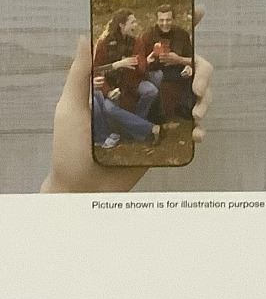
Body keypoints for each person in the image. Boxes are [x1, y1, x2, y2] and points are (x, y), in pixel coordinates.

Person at [45, 36, 214, 192]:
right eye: (131, 23)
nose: (133, 27)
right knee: (109, 107)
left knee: (150, 89)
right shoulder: (103, 46)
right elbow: (97, 71)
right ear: (122, 24)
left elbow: (140, 69)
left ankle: (136, 129)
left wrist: (158, 62)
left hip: (126, 87)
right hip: (106, 91)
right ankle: (149, 128)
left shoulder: (137, 42)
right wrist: (110, 83)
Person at [138, 3, 195, 120]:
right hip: (155, 70)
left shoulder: (182, 34)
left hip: (178, 69)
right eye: (161, 20)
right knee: (159, 77)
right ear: (156, 20)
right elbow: (140, 61)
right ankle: (159, 116)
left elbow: (192, 59)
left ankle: (185, 109)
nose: (165, 23)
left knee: (194, 74)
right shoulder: (147, 36)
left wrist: (183, 63)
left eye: (168, 20)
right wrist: (149, 59)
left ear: (173, 19)